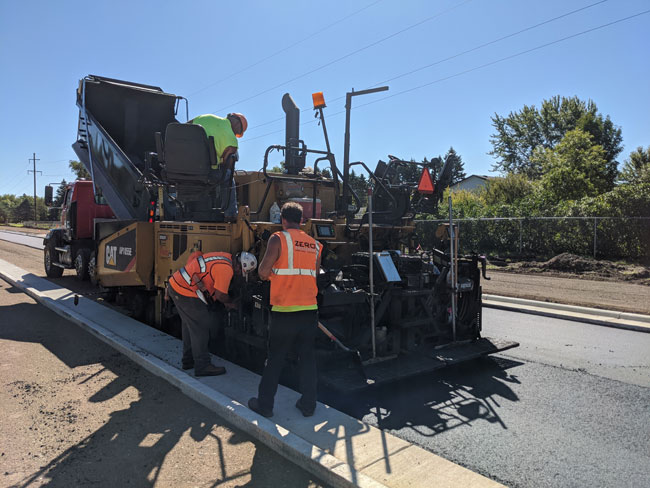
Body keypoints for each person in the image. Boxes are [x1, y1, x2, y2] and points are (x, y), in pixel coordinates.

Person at [248, 202, 321, 418]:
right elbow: (312, 274)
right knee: (307, 359)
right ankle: (308, 405)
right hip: (309, 310)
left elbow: (262, 272)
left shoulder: (278, 238)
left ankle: (265, 405)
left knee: (275, 359)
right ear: (301, 221)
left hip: (284, 310)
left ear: (282, 220)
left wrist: (273, 276)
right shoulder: (315, 245)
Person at [167, 250, 256, 376]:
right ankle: (202, 366)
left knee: (189, 327)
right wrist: (230, 302)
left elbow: (196, 255)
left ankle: (188, 361)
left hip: (177, 285)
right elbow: (220, 295)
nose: (238, 274)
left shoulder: (225, 257)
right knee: (201, 326)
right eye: (240, 272)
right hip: (186, 291)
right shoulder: (226, 270)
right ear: (238, 266)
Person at [189, 113, 248, 220]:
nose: (236, 135)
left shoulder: (205, 117)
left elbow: (180, 129)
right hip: (206, 173)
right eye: (238, 132)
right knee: (228, 177)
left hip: (181, 169)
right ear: (237, 124)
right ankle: (230, 214)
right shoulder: (231, 140)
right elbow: (227, 165)